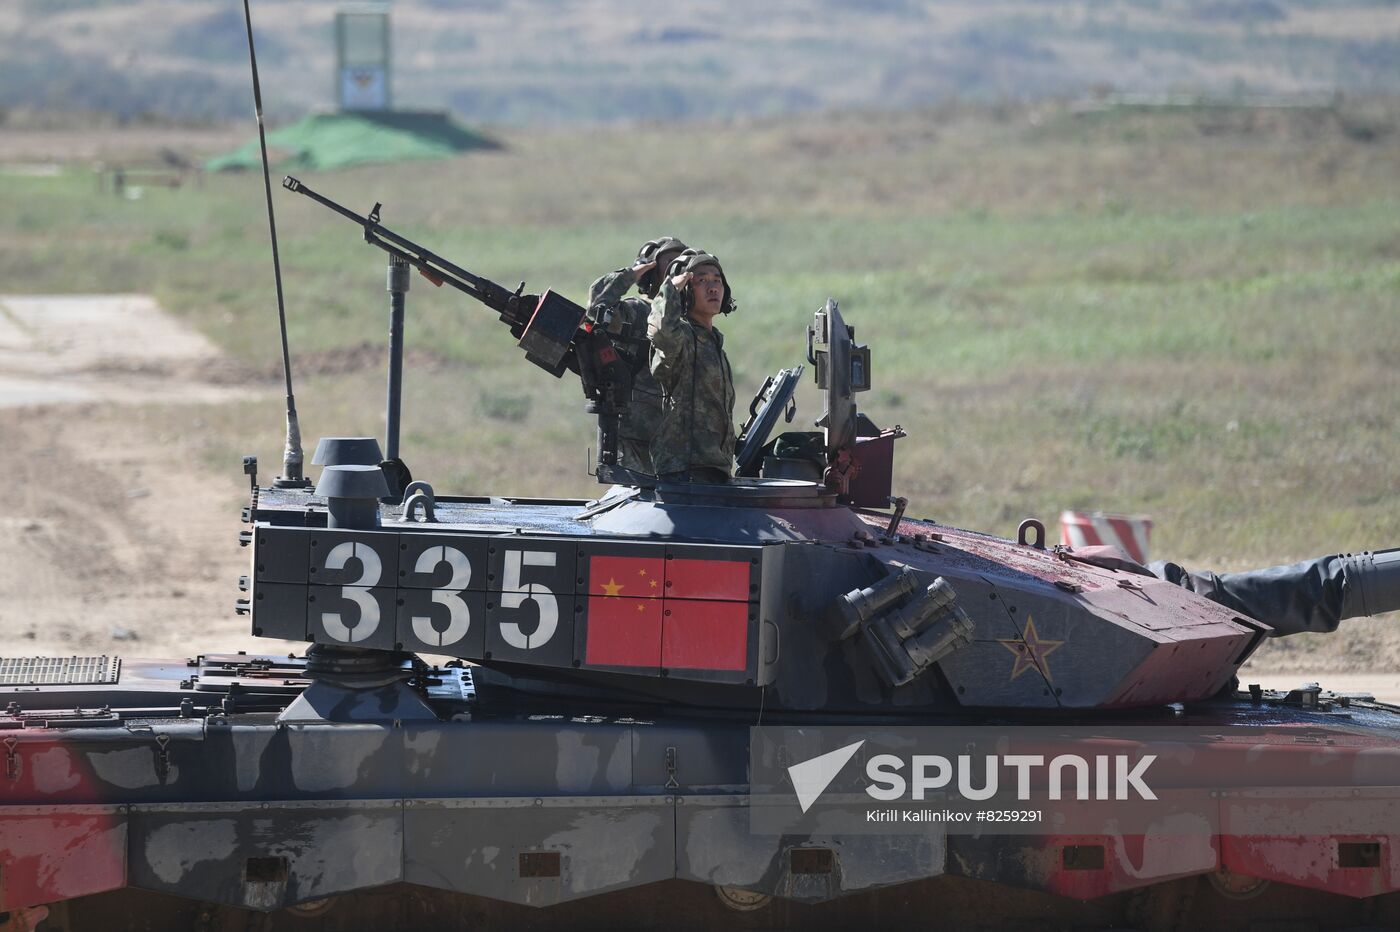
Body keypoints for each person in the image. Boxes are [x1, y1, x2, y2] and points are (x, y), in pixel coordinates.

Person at [587, 237, 688, 474]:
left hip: (676, 443)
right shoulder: (635, 311)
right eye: (671, 263)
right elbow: (596, 308)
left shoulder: (687, 321)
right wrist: (632, 274)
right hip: (635, 440)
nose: (679, 269)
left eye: (684, 263)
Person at [647, 250, 737, 483]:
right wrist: (669, 290)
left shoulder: (715, 344)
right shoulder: (682, 339)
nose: (713, 287)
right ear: (686, 292)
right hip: (685, 473)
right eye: (701, 281)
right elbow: (661, 331)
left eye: (717, 280)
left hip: (715, 470)